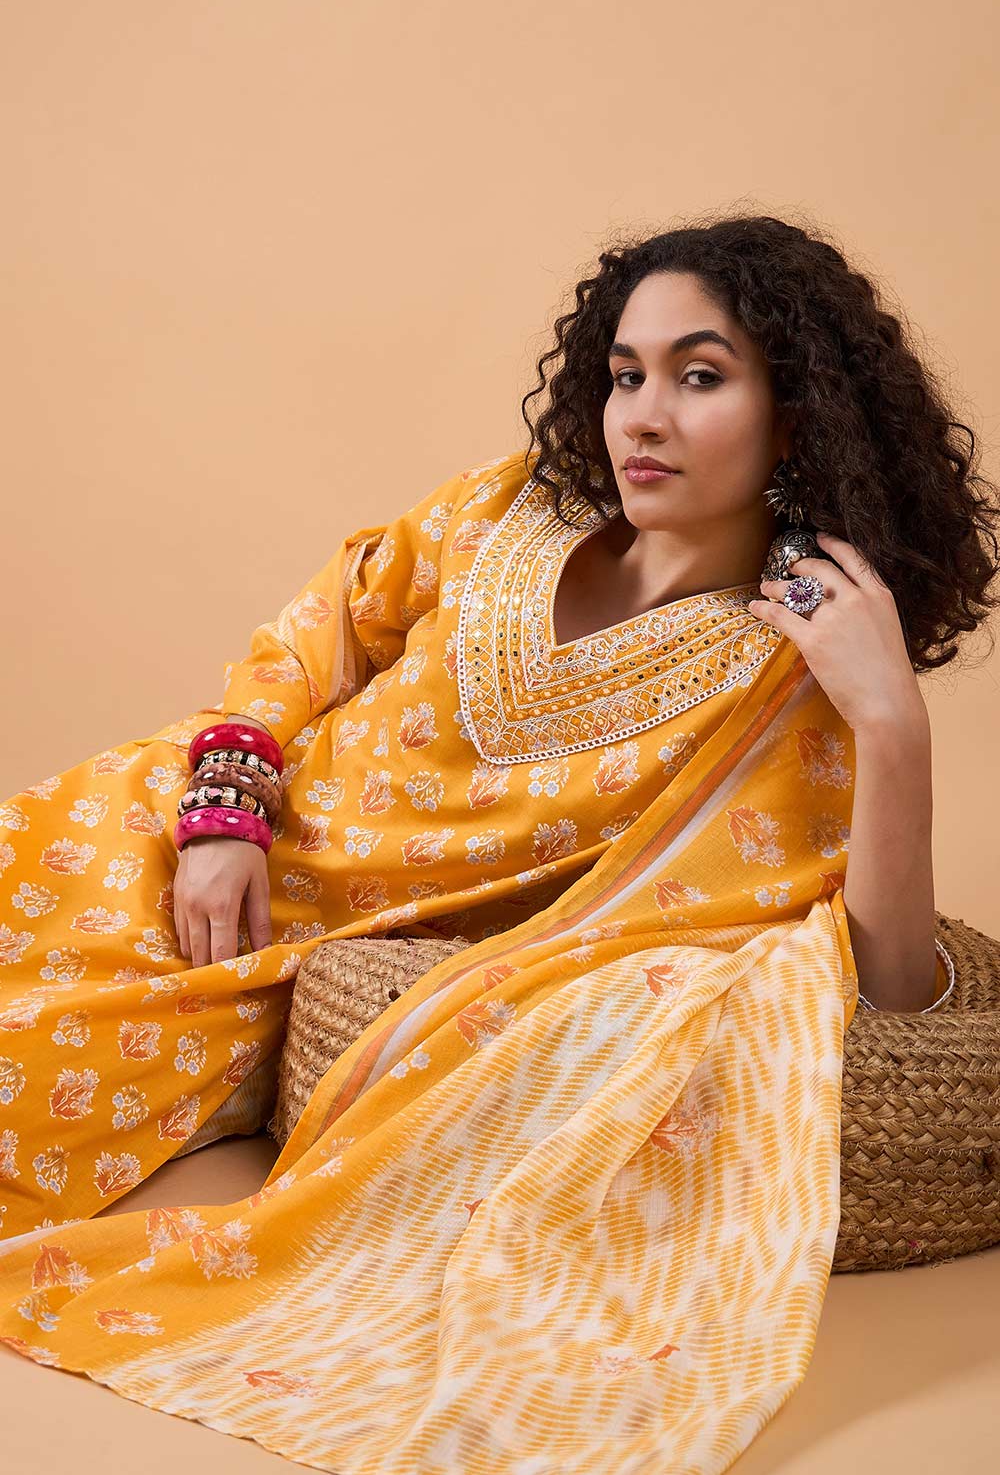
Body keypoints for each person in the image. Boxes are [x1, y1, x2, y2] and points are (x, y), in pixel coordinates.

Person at [0, 211, 996, 1473]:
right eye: (624, 375)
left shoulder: (789, 670)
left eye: (699, 377)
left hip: (254, 966)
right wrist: (224, 808)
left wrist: (891, 723)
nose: (641, 418)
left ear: (795, 412)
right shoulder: (512, 506)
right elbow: (315, 640)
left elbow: (888, 985)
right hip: (172, 836)